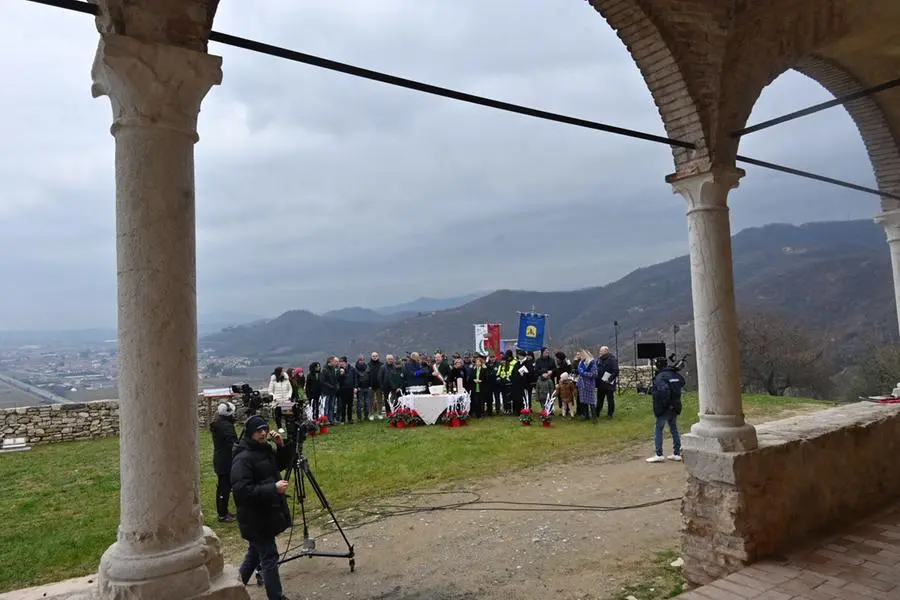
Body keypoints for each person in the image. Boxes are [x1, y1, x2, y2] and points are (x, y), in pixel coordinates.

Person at [231, 415, 293, 600]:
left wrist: (281, 446)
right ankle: (276, 597)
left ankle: (233, 590)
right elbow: (242, 492)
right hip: (255, 517)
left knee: (254, 555)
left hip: (265, 513)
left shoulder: (262, 450)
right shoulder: (243, 458)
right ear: (250, 434)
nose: (263, 433)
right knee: (269, 556)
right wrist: (273, 488)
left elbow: (278, 465)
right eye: (259, 431)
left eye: (265, 429)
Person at [646, 357, 685, 463]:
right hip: (676, 405)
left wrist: (666, 404)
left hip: (665, 407)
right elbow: (682, 382)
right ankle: (676, 453)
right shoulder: (675, 374)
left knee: (658, 428)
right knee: (674, 428)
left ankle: (659, 454)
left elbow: (664, 390)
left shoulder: (660, 377)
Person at [209, 401, 238, 522]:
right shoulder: (225, 427)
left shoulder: (219, 424)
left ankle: (223, 512)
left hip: (221, 459)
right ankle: (222, 514)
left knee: (223, 487)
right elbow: (234, 443)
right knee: (224, 487)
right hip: (225, 461)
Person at [595, 346, 620, 419]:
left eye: (601, 351)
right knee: (599, 399)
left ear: (606, 351)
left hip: (609, 383)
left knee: (610, 400)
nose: (600, 352)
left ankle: (610, 414)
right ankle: (597, 413)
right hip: (600, 383)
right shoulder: (599, 359)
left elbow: (616, 370)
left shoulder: (612, 359)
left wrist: (609, 379)